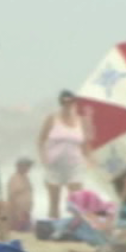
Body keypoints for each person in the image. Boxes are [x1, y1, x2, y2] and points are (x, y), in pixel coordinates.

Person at [38, 90, 92, 218]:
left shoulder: (80, 121)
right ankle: (52, 227)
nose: (68, 104)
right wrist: (43, 157)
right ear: (61, 102)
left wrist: (89, 159)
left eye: (70, 101)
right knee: (54, 203)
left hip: (74, 165)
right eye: (64, 101)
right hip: (54, 165)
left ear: (74, 102)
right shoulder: (52, 119)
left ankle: (77, 226)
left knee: (77, 201)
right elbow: (41, 140)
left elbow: (85, 143)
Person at [6, 157, 35, 232]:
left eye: (28, 166)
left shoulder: (26, 177)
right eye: (26, 166)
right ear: (18, 166)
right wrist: (14, 213)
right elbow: (12, 196)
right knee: (24, 228)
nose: (27, 168)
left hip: (25, 212)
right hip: (17, 213)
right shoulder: (14, 178)